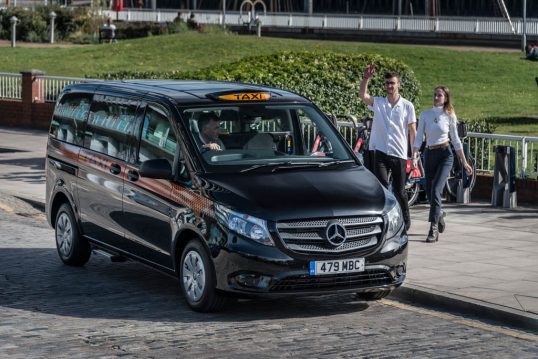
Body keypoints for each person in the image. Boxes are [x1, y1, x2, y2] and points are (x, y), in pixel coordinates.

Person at [359, 64, 417, 231]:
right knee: (382, 188)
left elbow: (412, 131)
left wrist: (414, 155)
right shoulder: (379, 102)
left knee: (400, 190)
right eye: (387, 83)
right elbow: (362, 95)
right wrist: (366, 78)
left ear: (398, 84)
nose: (389, 86)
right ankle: (385, 222)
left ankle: (406, 220)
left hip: (398, 152)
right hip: (381, 152)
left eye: (392, 83)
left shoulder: (407, 106)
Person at [411, 86, 473, 243]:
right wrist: (414, 155)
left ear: (445, 98)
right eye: (435, 95)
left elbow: (456, 140)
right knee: (431, 191)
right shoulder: (425, 114)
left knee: (437, 190)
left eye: (440, 95)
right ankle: (439, 215)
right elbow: (418, 138)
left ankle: (433, 229)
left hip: (445, 155)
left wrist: (464, 162)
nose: (436, 97)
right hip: (429, 154)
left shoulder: (449, 115)